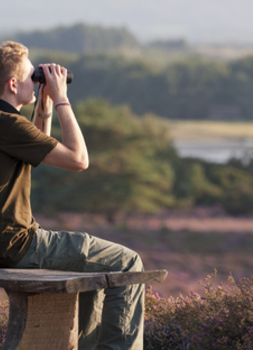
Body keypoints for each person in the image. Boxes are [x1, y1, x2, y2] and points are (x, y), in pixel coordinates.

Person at [0, 41, 144, 350]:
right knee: (128, 263)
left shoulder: (6, 124)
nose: (37, 82)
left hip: (5, 243)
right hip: (17, 244)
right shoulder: (7, 123)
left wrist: (45, 104)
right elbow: (78, 160)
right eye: (31, 78)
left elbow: (34, 150)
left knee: (93, 280)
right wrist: (63, 99)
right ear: (13, 84)